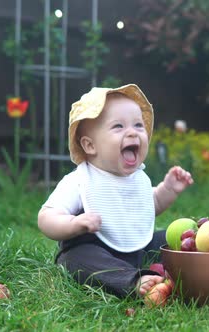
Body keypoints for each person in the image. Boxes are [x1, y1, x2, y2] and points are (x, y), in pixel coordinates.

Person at [37, 84, 193, 299]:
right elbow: (46, 217)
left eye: (139, 125)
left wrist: (168, 190)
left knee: (171, 238)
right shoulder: (79, 181)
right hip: (94, 251)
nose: (132, 132)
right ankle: (133, 280)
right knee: (75, 259)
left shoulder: (137, 178)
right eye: (118, 127)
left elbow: (150, 205)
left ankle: (199, 259)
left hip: (138, 249)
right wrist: (74, 224)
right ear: (90, 146)